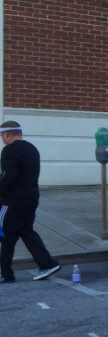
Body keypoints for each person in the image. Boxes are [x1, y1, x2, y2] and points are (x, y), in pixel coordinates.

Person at [0, 121, 61, 283]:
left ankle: (6, 274)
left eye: (2, 135)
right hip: (31, 198)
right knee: (26, 232)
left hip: (13, 201)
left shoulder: (9, 150)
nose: (2, 139)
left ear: (7, 134)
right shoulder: (32, 149)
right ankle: (47, 264)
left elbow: (9, 177)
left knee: (7, 236)